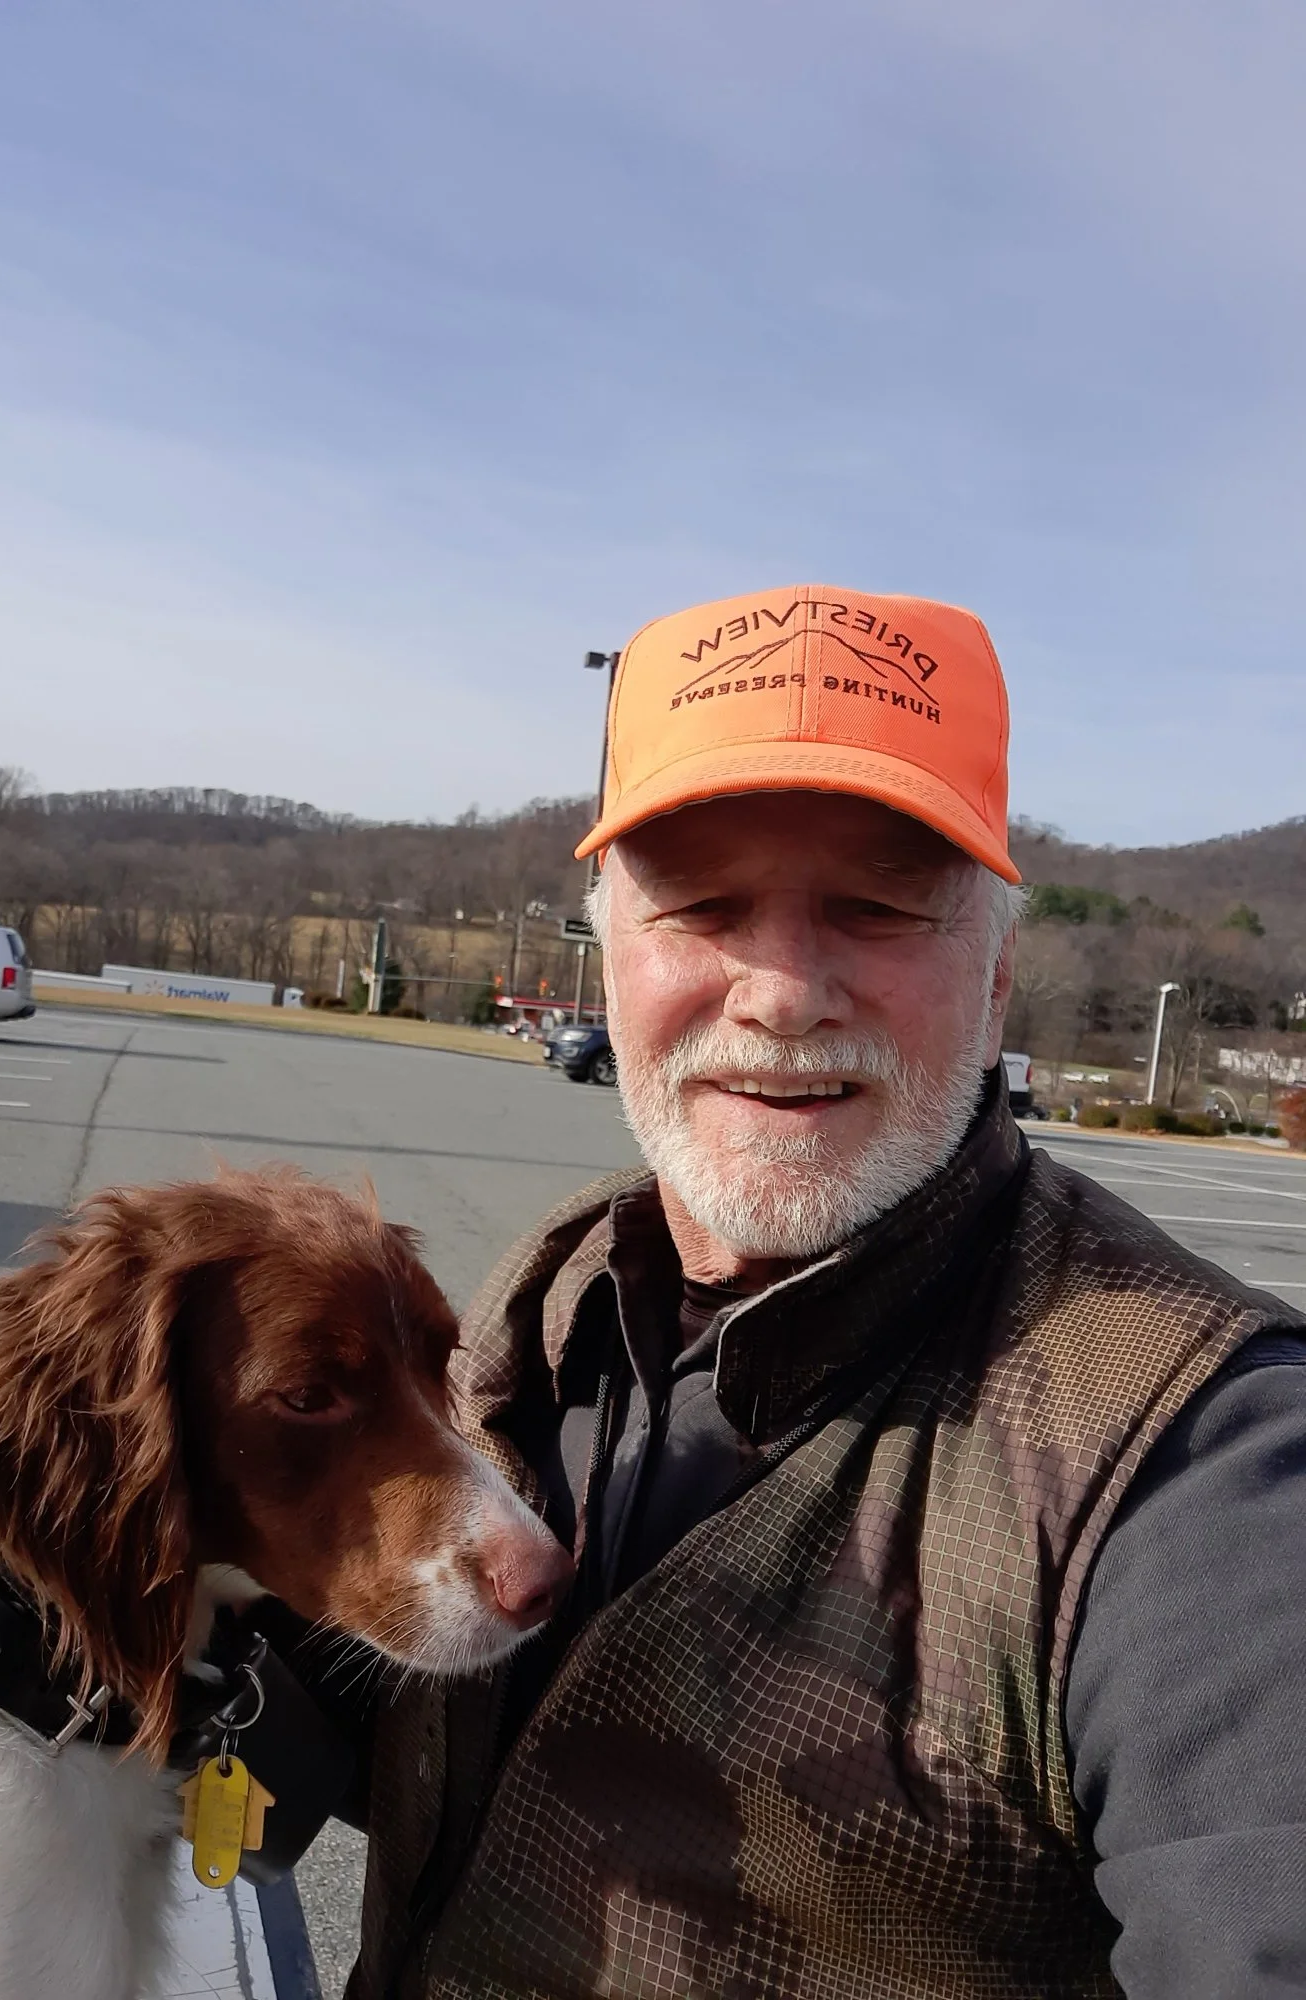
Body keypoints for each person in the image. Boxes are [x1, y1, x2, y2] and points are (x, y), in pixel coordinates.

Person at [313, 587, 1305, 1999]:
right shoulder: (558, 1290)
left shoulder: (1202, 1472)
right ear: (611, 953)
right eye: (701, 907)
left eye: (882, 907)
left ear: (1002, 975)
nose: (782, 993)